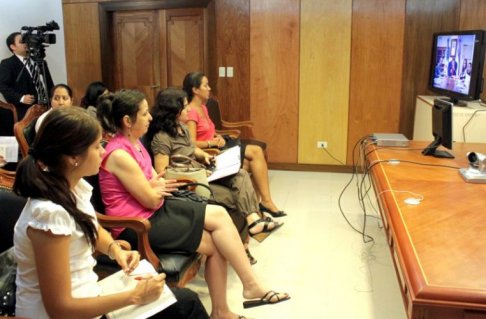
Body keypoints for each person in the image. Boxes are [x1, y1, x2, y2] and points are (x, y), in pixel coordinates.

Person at [97, 89, 290, 318]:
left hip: (155, 210)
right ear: (128, 121)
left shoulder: (136, 144)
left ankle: (226, 306)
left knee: (219, 223)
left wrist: (154, 187)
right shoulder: (118, 153)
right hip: (137, 224)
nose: (150, 117)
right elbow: (150, 195)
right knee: (217, 237)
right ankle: (245, 291)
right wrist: (154, 188)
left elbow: (154, 183)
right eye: (145, 113)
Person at [13, 107, 209, 319]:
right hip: (68, 313)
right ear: (73, 158)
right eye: (97, 146)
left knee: (184, 301)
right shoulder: (49, 214)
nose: (103, 152)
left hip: (88, 297)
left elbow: (90, 226)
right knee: (186, 305)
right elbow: (60, 309)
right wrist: (134, 297)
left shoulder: (69, 186)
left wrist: (115, 250)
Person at [146, 88, 283, 247]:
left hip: (201, 172)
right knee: (232, 197)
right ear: (174, 111)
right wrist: (195, 171)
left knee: (241, 174)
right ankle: (240, 244)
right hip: (190, 182)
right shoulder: (161, 138)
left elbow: (191, 148)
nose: (188, 109)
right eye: (184, 107)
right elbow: (163, 172)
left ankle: (252, 220)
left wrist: (203, 155)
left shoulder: (181, 127)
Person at [183, 72, 286, 218]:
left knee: (255, 165)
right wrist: (211, 142)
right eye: (205, 85)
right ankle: (262, 205)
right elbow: (191, 142)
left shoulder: (203, 108)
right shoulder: (191, 112)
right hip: (208, 155)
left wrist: (217, 136)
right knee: (256, 154)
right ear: (195, 90)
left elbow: (208, 131)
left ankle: (259, 207)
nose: (209, 88)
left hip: (217, 148)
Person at [0, 32, 54, 121]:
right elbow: (3, 86)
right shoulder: (8, 64)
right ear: (13, 47)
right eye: (22, 41)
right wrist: (21, 98)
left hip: (47, 108)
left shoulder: (40, 61)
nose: (26, 43)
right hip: (25, 111)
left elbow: (49, 83)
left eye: (27, 40)